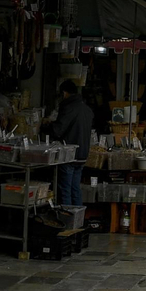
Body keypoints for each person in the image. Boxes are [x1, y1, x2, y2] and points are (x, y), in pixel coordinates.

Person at [43, 78, 94, 206]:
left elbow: (58, 130)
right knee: (75, 188)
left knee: (65, 190)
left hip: (69, 155)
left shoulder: (69, 107)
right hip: (82, 154)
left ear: (64, 93)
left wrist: (46, 125)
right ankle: (77, 220)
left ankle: (68, 221)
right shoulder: (87, 109)